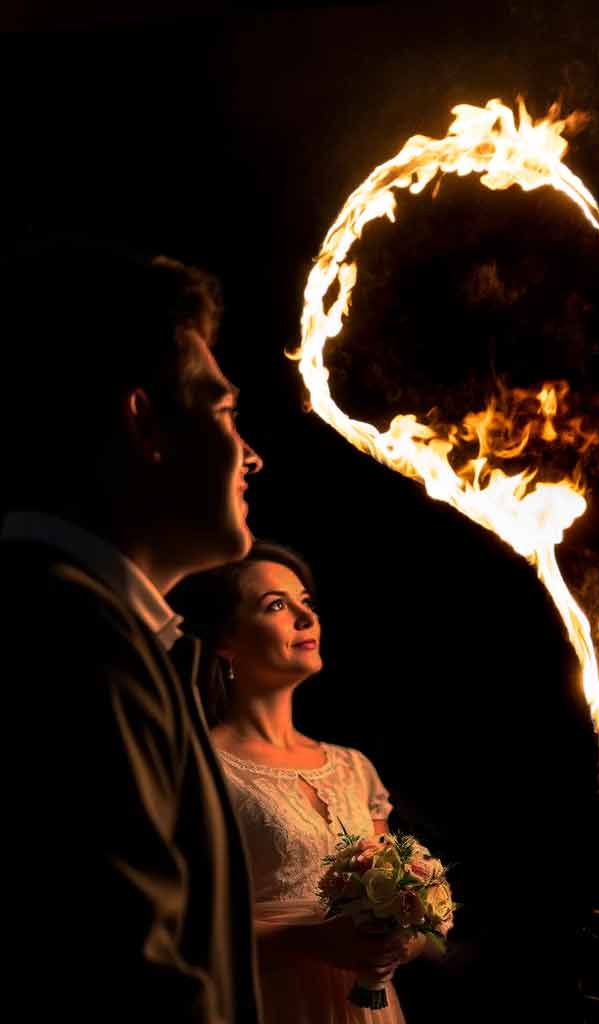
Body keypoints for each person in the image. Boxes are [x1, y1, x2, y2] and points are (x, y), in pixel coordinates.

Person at [0, 241, 265, 1021]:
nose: (251, 455)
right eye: (221, 411)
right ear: (144, 423)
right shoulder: (71, 640)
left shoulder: (116, 636)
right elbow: (126, 972)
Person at [169, 541, 426, 1024]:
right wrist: (308, 939)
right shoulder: (197, 765)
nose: (306, 618)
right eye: (277, 606)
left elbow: (396, 900)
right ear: (226, 640)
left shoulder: (353, 767)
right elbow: (178, 927)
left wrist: (400, 937)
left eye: (306, 603)